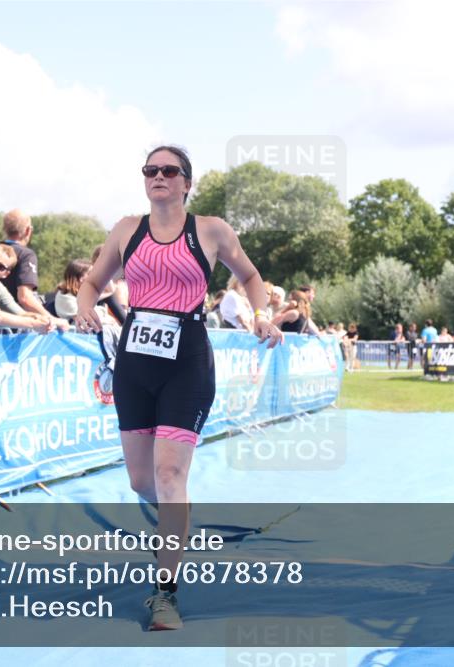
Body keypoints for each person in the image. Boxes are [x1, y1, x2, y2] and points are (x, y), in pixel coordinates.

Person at [74, 145, 282, 632]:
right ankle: (178, 516)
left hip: (186, 357)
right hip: (135, 359)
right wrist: (86, 306)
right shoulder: (127, 229)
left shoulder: (210, 230)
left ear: (187, 182)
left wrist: (262, 314)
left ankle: (165, 595)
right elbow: (92, 283)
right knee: (142, 482)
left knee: (169, 476)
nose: (158, 177)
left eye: (169, 171)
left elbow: (250, 276)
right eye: (150, 170)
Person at [0, 210, 69, 330]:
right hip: (13, 329)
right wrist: (52, 319)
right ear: (28, 230)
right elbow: (25, 298)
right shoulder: (26, 255)